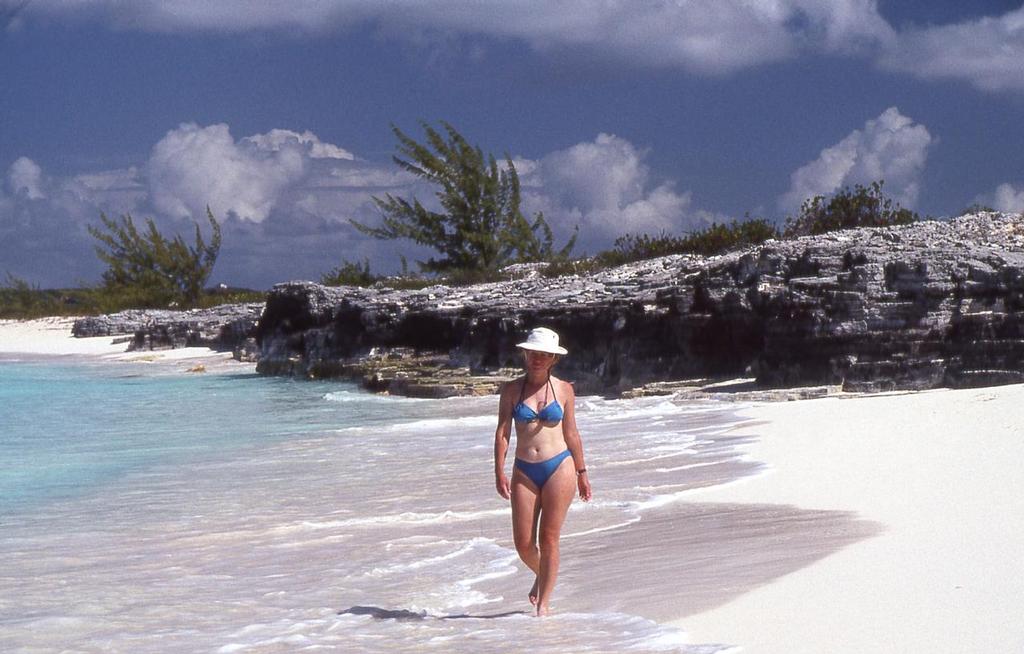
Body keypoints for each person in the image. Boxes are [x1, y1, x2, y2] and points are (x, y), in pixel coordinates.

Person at [493, 326, 592, 616]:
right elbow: (502, 432)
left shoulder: (564, 390)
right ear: (525, 353)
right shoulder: (511, 390)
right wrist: (499, 470)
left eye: (544, 355)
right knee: (523, 544)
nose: (538, 358)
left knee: (549, 538)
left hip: (559, 466)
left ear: (553, 359)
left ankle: (544, 605)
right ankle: (544, 574)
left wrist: (582, 472)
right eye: (534, 353)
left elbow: (572, 433)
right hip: (524, 470)